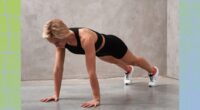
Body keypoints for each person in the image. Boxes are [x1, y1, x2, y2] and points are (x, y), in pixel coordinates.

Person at [40, 19, 159, 108]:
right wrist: (55, 94)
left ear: (63, 35)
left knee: (133, 61)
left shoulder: (85, 38)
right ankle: (128, 70)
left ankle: (153, 71)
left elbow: (91, 72)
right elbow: (58, 68)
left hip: (113, 45)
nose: (55, 45)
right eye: (52, 43)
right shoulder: (61, 42)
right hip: (100, 51)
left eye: (56, 42)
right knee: (113, 60)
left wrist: (96, 99)